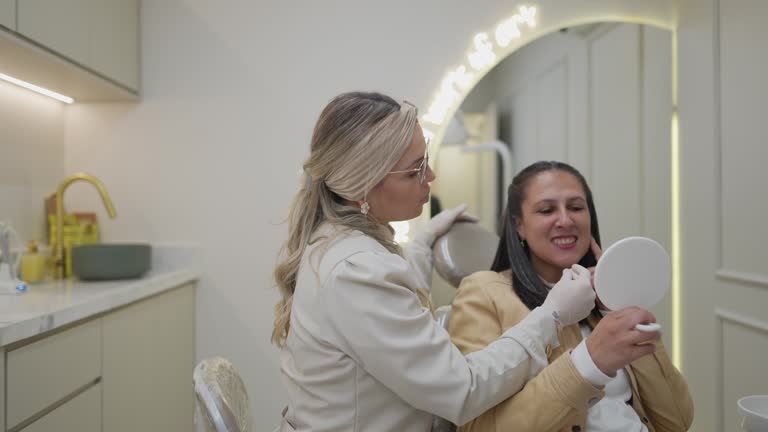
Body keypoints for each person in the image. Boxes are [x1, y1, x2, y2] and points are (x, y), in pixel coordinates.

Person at [272, 92, 599, 431]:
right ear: (363, 187)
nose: (431, 174)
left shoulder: (336, 243)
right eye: (415, 170)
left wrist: (421, 247)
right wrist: (552, 315)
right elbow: (463, 391)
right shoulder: (357, 271)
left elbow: (385, 322)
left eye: (425, 158)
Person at [448, 161, 694, 432]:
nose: (565, 220)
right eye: (546, 210)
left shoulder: (604, 301)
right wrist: (589, 363)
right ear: (519, 225)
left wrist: (619, 307)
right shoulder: (483, 292)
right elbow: (476, 428)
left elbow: (677, 421)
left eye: (576, 207)